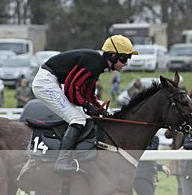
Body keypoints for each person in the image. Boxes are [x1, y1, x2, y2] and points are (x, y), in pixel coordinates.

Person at [32, 34, 137, 173]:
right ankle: (61, 161)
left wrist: (99, 109)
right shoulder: (93, 63)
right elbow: (71, 90)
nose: (126, 63)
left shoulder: (97, 65)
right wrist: (88, 106)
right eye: (124, 58)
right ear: (113, 55)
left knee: (86, 119)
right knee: (78, 119)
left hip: (53, 80)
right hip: (45, 82)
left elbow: (88, 94)